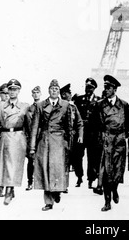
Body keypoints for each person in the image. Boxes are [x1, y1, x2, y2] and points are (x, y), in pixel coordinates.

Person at [29, 79, 83, 211]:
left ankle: (57, 191)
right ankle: (48, 201)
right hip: (45, 141)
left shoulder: (66, 105)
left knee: (58, 170)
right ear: (48, 90)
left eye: (57, 89)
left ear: (59, 91)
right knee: (46, 170)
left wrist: (72, 141)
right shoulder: (41, 105)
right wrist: (32, 147)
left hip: (59, 142)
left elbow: (73, 124)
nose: (55, 91)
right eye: (52, 88)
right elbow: (35, 127)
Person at [92, 75, 129, 212]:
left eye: (108, 87)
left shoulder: (124, 105)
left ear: (115, 89)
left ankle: (115, 189)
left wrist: (124, 134)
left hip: (119, 140)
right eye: (105, 87)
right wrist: (100, 137)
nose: (106, 90)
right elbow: (95, 124)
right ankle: (107, 201)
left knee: (117, 171)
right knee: (105, 172)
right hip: (106, 140)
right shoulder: (99, 105)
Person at [0, 79, 30, 205]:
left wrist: (30, 142)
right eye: (10, 89)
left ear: (19, 91)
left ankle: (9, 190)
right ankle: (8, 188)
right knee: (5, 165)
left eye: (15, 89)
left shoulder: (25, 106)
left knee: (14, 165)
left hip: (18, 137)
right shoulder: (1, 106)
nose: (12, 92)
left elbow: (29, 124)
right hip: (5, 136)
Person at [72, 77, 101, 189]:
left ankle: (91, 179)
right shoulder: (79, 99)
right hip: (81, 132)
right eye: (86, 87)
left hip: (92, 133)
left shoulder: (98, 101)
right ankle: (79, 176)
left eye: (90, 87)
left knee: (92, 157)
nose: (87, 89)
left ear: (94, 88)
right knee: (77, 156)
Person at [60, 83, 83, 193]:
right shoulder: (58, 107)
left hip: (73, 139)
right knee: (63, 161)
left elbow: (79, 123)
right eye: (69, 93)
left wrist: (80, 135)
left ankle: (78, 178)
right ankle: (64, 185)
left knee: (74, 159)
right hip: (61, 138)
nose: (71, 94)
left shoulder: (73, 107)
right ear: (64, 95)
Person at [25, 85, 42, 191]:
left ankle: (40, 181)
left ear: (40, 94)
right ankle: (30, 182)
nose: (36, 94)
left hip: (40, 137)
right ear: (32, 95)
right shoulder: (29, 109)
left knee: (41, 160)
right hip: (31, 137)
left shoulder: (44, 107)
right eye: (34, 93)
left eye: (37, 93)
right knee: (31, 161)